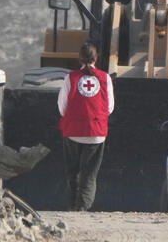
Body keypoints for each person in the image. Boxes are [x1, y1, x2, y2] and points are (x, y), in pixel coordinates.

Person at [57, 42, 115, 211]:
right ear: (96, 58)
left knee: (72, 172)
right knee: (89, 174)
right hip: (96, 133)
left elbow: (62, 107)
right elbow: (109, 107)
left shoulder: (71, 77)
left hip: (73, 132)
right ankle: (83, 208)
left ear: (79, 58)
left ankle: (72, 206)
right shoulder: (105, 78)